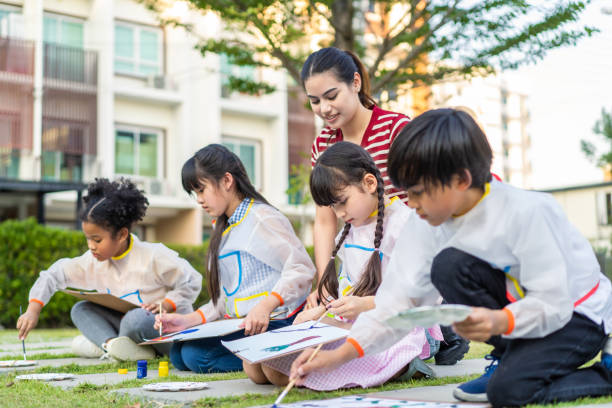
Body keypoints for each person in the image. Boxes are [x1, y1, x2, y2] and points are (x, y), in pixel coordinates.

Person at [290, 108, 612, 407]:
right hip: (519, 312)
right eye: (405, 191)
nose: (410, 202)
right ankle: (511, 357)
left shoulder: (529, 213)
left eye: (417, 191)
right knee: (449, 265)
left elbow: (554, 304)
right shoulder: (426, 221)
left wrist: (501, 321)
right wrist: (339, 356)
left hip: (577, 311)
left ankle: (604, 373)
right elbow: (398, 302)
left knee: (508, 392)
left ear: (461, 180)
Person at [302, 47, 467, 364]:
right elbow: (325, 220)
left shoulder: (394, 129)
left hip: (402, 253)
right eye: (315, 100)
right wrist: (325, 281)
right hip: (360, 261)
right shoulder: (322, 145)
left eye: (331, 95)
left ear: (355, 82)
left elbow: (423, 207)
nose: (324, 108)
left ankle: (434, 325)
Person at [243, 142, 441, 389]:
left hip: (400, 326)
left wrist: (366, 304)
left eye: (342, 202)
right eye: (333, 206)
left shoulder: (403, 224)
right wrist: (324, 312)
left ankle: (404, 363)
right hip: (358, 319)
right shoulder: (353, 229)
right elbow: (353, 289)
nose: (338, 214)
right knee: (254, 367)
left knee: (279, 373)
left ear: (369, 183)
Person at [155, 144, 315, 373]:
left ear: (227, 181)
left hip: (278, 320)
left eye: (201, 189)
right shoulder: (224, 228)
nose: (199, 200)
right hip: (245, 325)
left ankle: (271, 360)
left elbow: (301, 268)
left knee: (196, 356)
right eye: (195, 193)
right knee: (179, 354)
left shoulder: (262, 218)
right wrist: (186, 320)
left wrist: (266, 305)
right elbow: (226, 298)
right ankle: (256, 358)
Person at [16, 178, 202, 361]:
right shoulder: (91, 262)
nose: (91, 246)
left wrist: (167, 304)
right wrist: (33, 309)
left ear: (121, 234)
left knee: (134, 318)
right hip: (126, 327)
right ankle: (114, 346)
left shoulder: (154, 256)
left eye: (97, 240)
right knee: (81, 309)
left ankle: (108, 346)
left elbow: (193, 280)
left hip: (163, 328)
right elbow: (54, 274)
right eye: (87, 239)